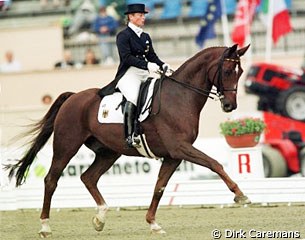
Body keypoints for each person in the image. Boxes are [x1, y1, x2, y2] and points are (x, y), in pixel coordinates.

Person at [99, 3, 170, 148]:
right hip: (129, 73)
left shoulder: (145, 36)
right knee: (133, 96)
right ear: (131, 17)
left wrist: (163, 65)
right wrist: (147, 65)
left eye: (143, 15)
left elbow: (152, 56)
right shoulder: (123, 36)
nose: (143, 17)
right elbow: (126, 58)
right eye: (140, 15)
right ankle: (129, 135)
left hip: (144, 73)